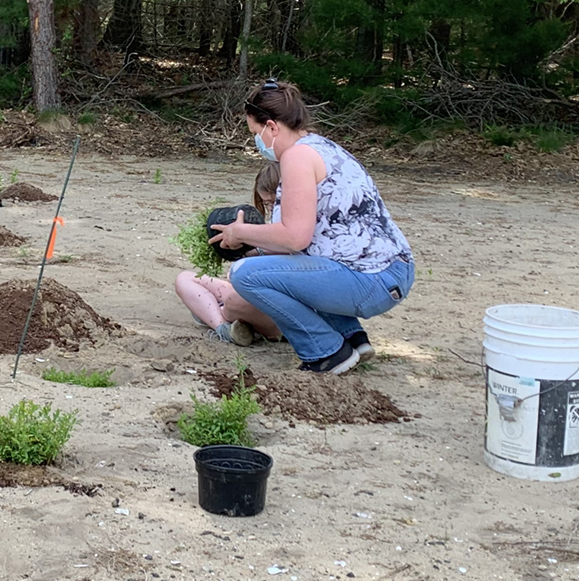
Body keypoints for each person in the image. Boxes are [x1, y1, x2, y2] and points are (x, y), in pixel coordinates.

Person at [211, 79, 415, 374]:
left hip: (371, 281)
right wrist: (251, 241)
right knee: (290, 269)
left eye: (255, 133)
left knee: (246, 275)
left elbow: (294, 237)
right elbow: (308, 237)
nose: (257, 143)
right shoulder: (323, 148)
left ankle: (325, 353)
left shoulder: (295, 157)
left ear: (271, 127)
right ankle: (350, 337)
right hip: (393, 271)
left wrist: (239, 233)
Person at [174, 163, 284, 346]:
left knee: (233, 301)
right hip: (261, 298)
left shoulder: (299, 227)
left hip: (280, 309)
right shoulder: (273, 226)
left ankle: (217, 317)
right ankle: (223, 327)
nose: (271, 209)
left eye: (274, 203)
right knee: (185, 278)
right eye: (266, 204)